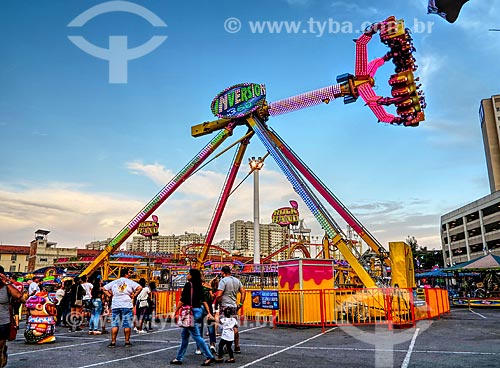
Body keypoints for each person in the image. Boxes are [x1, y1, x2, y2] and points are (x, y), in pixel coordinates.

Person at [170, 268, 215, 366]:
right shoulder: (199, 285)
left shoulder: (188, 285)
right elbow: (204, 300)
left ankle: (209, 356)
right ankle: (179, 357)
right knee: (185, 335)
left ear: (191, 276)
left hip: (190, 313)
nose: (187, 275)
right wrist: (208, 312)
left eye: (188, 274)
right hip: (198, 310)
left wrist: (175, 311)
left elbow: (182, 300)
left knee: (196, 336)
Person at [102, 268, 142, 347]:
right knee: (127, 324)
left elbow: (104, 288)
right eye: (129, 273)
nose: (130, 274)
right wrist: (134, 294)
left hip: (115, 304)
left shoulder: (114, 282)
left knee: (115, 324)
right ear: (126, 274)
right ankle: (127, 341)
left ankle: (113, 342)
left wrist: (110, 295)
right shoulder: (130, 282)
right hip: (126, 304)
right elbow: (139, 287)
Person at [214, 266, 245, 354]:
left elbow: (219, 295)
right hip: (234, 306)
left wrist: (216, 304)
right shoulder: (236, 280)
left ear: (223, 272)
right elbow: (243, 292)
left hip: (225, 306)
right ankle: (237, 346)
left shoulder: (223, 281)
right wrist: (240, 304)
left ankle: (226, 347)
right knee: (234, 326)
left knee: (226, 327)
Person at [0, 266, 23, 368]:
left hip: (3, 322)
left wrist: (7, 282)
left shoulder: (7, 287)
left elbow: (18, 296)